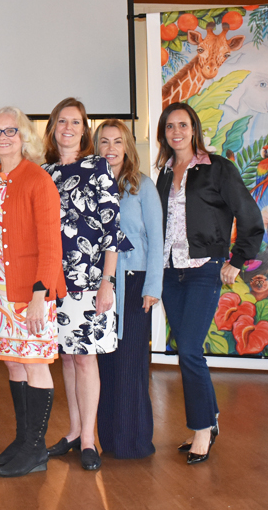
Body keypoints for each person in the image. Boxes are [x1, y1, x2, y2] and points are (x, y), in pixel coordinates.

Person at [155, 102, 263, 464]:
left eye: (183, 125)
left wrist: (235, 259)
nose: (177, 132)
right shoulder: (165, 173)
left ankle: (202, 429)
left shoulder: (218, 168)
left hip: (204, 268)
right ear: (164, 133)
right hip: (172, 272)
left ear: (194, 129)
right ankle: (210, 420)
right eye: (170, 126)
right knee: (186, 348)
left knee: (187, 348)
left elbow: (249, 216)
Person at [0, 107, 66, 477]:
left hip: (31, 291)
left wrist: (39, 296)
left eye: (10, 131)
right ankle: (21, 440)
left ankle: (36, 449)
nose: (3, 137)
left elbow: (51, 244)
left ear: (25, 135)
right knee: (14, 362)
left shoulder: (38, 179)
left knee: (35, 363)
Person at [42, 97, 129, 471]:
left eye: (75, 122)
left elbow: (112, 229)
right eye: (62, 121)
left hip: (90, 282)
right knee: (67, 356)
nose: (68, 128)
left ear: (84, 129)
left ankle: (90, 440)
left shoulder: (97, 167)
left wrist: (107, 281)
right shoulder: (43, 173)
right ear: (52, 128)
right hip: (53, 285)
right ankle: (75, 431)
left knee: (86, 358)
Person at [93, 120, 163, 460]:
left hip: (135, 284)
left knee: (131, 365)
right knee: (106, 365)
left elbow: (156, 239)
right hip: (101, 286)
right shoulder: (91, 187)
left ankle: (135, 442)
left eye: (117, 142)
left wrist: (153, 286)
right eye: (104, 142)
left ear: (127, 147)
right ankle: (111, 440)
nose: (110, 148)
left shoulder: (142, 187)